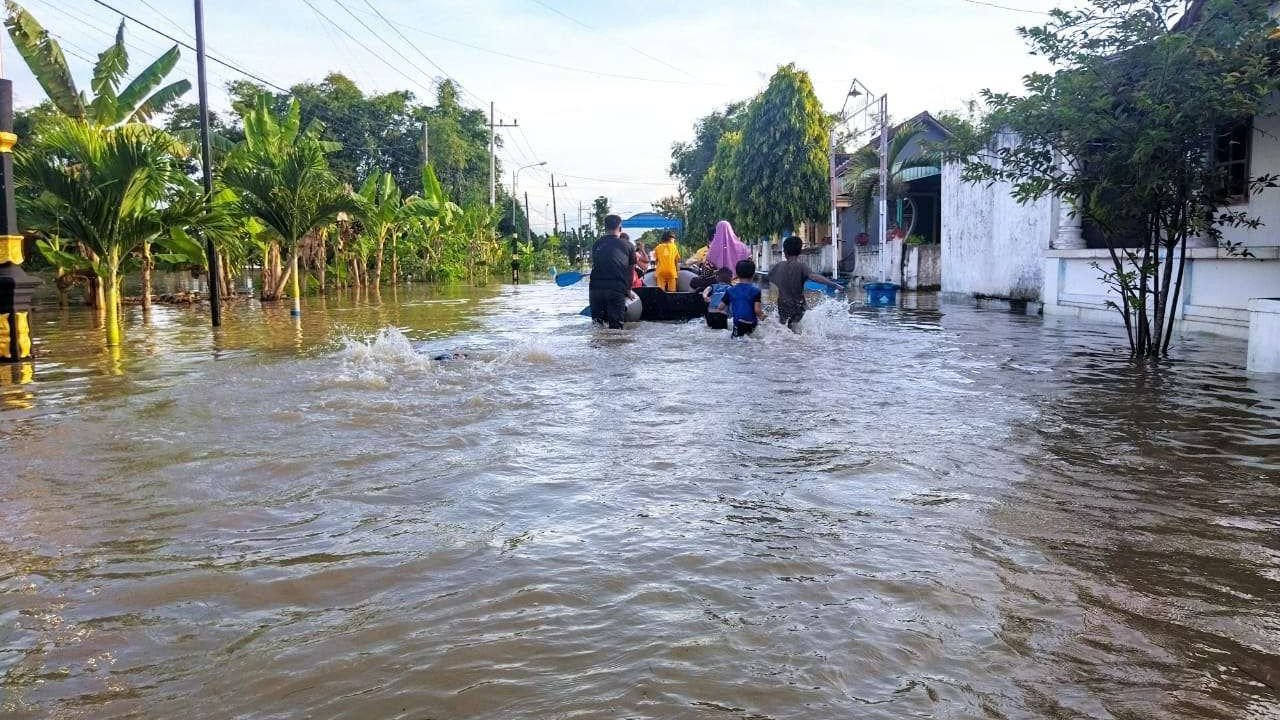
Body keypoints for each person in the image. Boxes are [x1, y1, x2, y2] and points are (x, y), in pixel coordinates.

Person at [770, 235, 843, 331]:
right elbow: (813, 277)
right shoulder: (801, 266)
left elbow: (769, 279)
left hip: (782, 305)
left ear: (785, 252)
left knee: (784, 329)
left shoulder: (777, 267)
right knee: (797, 330)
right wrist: (834, 284)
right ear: (800, 252)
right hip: (798, 305)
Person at [589, 214, 636, 329]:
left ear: (604, 227)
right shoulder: (628, 246)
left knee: (597, 325)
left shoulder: (597, 244)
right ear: (620, 228)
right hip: (616, 289)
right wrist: (629, 290)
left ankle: (596, 346)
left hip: (595, 288)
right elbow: (631, 271)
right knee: (616, 328)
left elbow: (597, 264)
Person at [717, 259, 762, 337]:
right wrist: (763, 316)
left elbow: (720, 307)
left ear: (737, 274)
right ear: (753, 274)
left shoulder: (730, 290)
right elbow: (757, 310)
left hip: (738, 323)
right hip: (751, 323)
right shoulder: (756, 290)